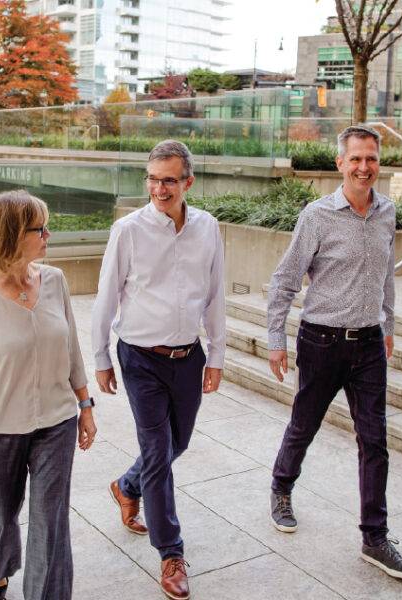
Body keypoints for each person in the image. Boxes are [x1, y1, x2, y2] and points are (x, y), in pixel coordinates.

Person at [266, 125, 402, 580]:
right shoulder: (317, 216)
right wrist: (276, 339)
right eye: (355, 159)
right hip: (322, 342)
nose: (364, 167)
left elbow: (387, 274)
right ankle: (281, 487)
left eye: (371, 158)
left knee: (375, 442)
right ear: (340, 163)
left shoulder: (387, 211)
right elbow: (285, 279)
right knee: (304, 425)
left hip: (369, 344)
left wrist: (388, 324)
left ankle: (375, 537)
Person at [91, 140, 226, 600]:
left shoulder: (208, 227)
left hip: (188, 358)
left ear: (189, 182)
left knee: (176, 444)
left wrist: (217, 356)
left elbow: (215, 295)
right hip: (141, 358)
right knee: (156, 449)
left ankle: (126, 486)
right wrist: (101, 357)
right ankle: (171, 552)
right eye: (152, 179)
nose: (159, 188)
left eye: (169, 180)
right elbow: (106, 294)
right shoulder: (128, 230)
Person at [0, 190, 98, 600]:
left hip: (56, 421)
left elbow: (71, 349)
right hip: (0, 427)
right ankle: (1, 568)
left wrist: (85, 406)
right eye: (40, 229)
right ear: (14, 235)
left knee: (50, 522)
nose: (48, 235)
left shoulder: (55, 280)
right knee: (1, 515)